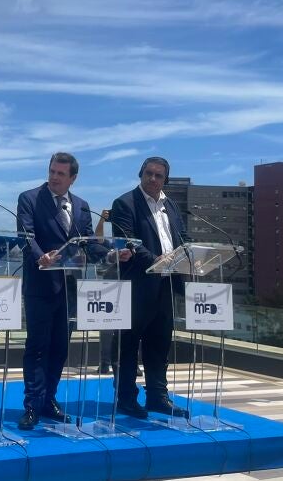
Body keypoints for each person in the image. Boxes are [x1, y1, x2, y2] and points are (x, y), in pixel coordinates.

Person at [16, 152, 94, 430]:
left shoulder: (82, 206)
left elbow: (88, 243)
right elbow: (25, 237)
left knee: (60, 347)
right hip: (40, 285)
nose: (54, 177)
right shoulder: (30, 199)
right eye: (52, 171)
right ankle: (32, 405)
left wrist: (112, 254)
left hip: (69, 288)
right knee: (38, 347)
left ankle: (49, 400)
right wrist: (41, 257)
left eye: (61, 174)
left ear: (73, 178)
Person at [110, 156, 191, 419]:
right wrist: (157, 260)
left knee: (159, 343)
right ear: (140, 174)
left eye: (158, 175)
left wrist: (190, 253)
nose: (152, 179)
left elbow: (182, 237)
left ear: (165, 179)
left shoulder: (171, 206)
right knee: (128, 344)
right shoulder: (125, 203)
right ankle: (126, 398)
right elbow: (128, 241)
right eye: (148, 173)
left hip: (167, 284)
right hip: (137, 285)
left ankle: (157, 397)